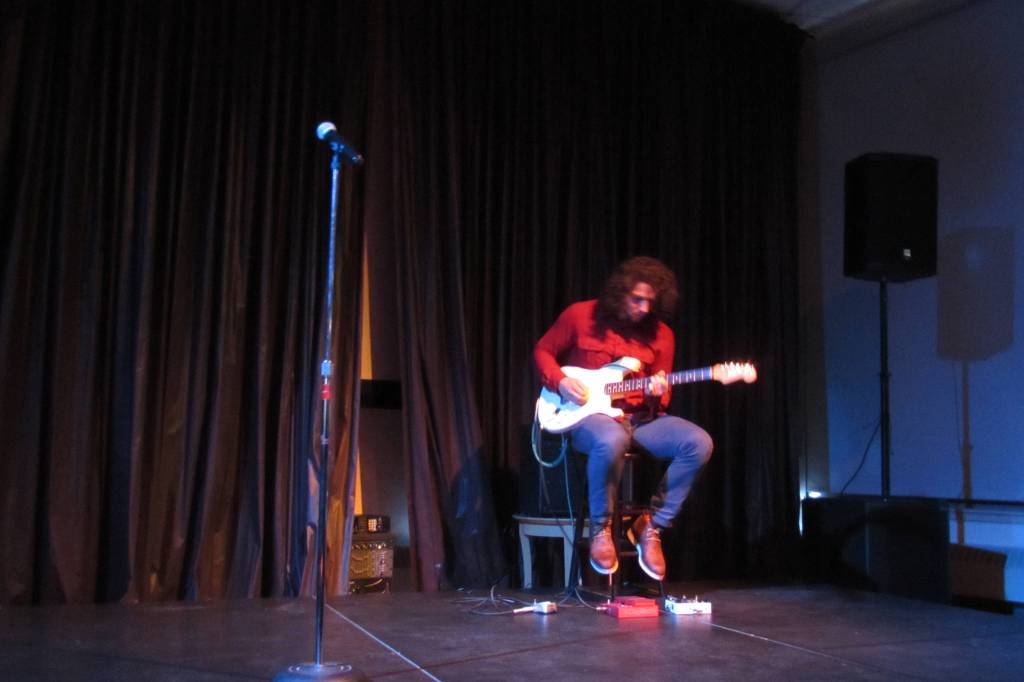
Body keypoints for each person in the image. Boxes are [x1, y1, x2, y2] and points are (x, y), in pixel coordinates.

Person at [533, 256, 713, 581]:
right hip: (591, 417)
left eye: (650, 302)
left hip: (641, 418)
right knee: (610, 438)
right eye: (637, 299)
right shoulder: (580, 316)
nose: (644, 308)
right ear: (620, 292)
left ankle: (651, 525)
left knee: (698, 443)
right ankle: (601, 529)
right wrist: (561, 381)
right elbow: (543, 351)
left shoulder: (662, 335)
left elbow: (664, 397)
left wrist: (658, 390)